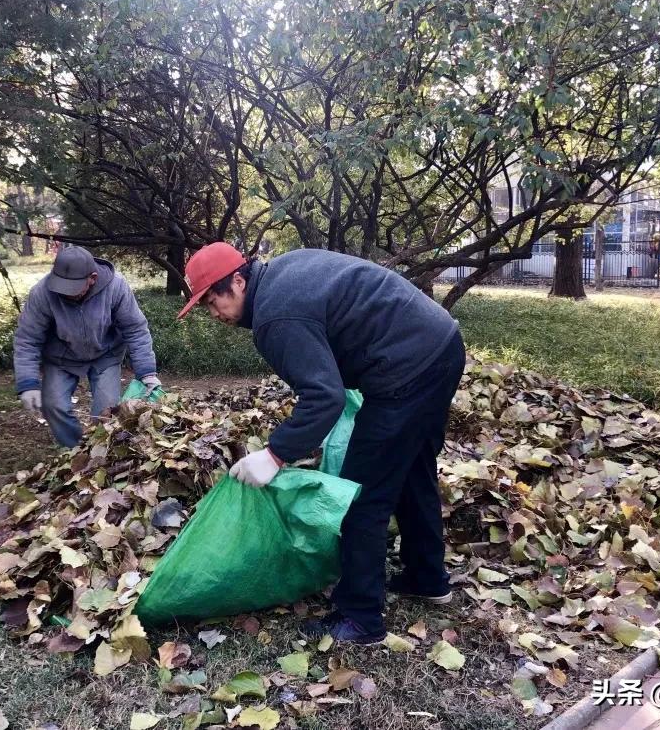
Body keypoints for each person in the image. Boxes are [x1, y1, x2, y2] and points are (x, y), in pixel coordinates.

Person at [177, 243, 465, 644]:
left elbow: (324, 397)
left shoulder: (276, 318)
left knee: (359, 494)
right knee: (413, 470)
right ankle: (426, 577)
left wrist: (275, 454)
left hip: (407, 370)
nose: (214, 314)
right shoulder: (280, 275)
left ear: (238, 281)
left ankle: (361, 618)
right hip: (442, 345)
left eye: (213, 301)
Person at [14, 245, 161, 447]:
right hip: (61, 359)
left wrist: (147, 372)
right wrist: (27, 382)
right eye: (62, 288)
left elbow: (135, 329)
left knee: (106, 413)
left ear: (92, 278)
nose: (66, 294)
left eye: (72, 289)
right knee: (53, 406)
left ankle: (99, 452)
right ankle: (74, 448)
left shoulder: (115, 287)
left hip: (105, 355)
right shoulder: (42, 293)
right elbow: (27, 338)